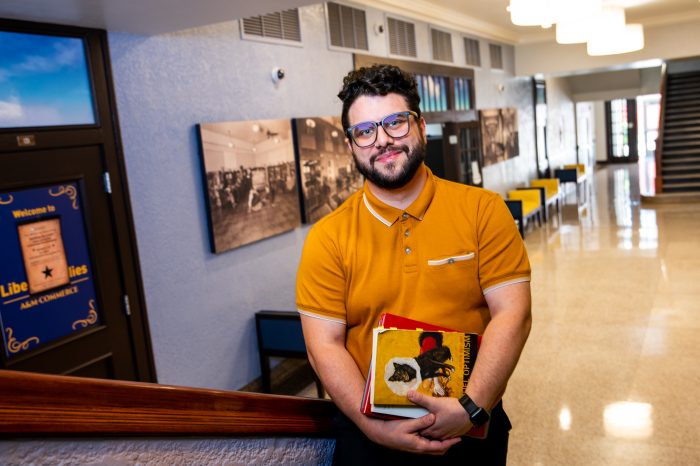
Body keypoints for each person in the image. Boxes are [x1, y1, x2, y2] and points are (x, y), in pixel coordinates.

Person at [296, 64, 532, 465]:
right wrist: (371, 426)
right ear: (351, 144)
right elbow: (324, 345)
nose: (383, 140)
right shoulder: (327, 238)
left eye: (396, 123)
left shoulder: (483, 211)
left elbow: (513, 313)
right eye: (365, 131)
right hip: (370, 435)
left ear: (421, 126)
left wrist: (471, 406)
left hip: (471, 427)